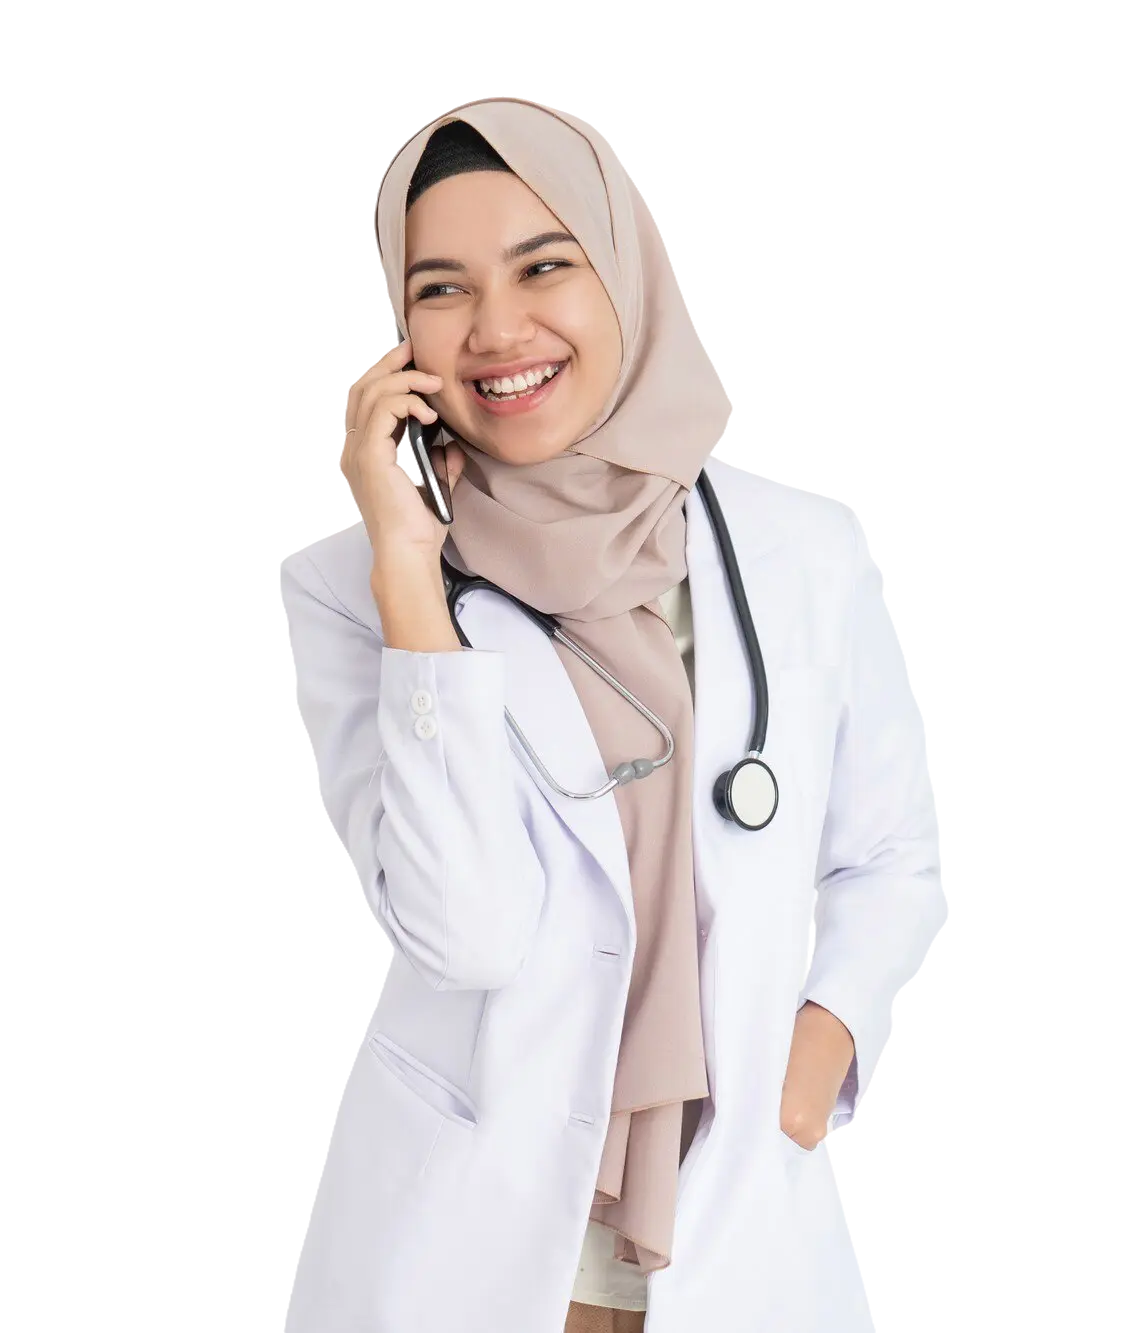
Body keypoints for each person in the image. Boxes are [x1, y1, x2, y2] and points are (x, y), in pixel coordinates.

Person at [279, 96, 952, 1333]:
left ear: (625, 272)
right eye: (440, 288)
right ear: (398, 330)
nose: (495, 328)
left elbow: (889, 854)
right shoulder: (349, 587)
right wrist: (409, 580)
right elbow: (465, 934)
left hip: (738, 1219)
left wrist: (809, 1067)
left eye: (543, 265)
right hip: (471, 1240)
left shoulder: (805, 550)